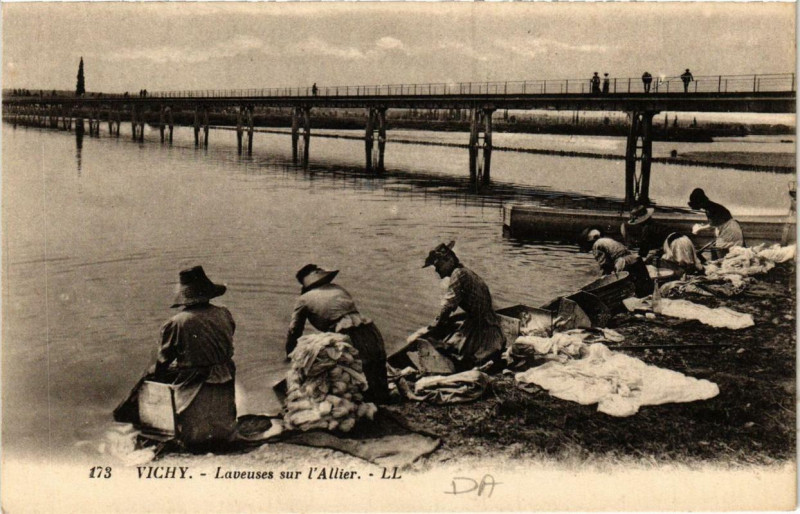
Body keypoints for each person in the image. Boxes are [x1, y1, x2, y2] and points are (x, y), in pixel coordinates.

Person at [114, 266, 238, 450]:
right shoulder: (224, 313)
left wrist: (153, 376)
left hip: (197, 379)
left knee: (152, 381)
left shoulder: (177, 322)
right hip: (225, 373)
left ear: (184, 296)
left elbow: (163, 360)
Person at [286, 264, 389, 404]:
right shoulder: (337, 288)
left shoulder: (303, 299)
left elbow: (294, 330)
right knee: (376, 361)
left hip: (344, 332)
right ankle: (383, 397)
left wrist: (290, 354)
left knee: (348, 368)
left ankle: (364, 400)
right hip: (367, 327)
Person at [422, 241, 505, 370]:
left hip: (483, 328)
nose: (437, 271)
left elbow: (448, 305)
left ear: (448, 260)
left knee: (453, 352)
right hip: (486, 323)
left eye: (438, 266)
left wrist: (437, 324)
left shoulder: (458, 274)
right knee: (451, 344)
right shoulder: (465, 271)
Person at [622, 205, 703, 275]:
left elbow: (644, 249)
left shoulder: (646, 229)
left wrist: (640, 260)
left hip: (676, 243)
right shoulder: (655, 225)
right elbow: (658, 243)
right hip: (684, 239)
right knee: (691, 264)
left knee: (684, 267)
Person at [579, 227, 654, 298]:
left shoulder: (596, 245)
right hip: (635, 259)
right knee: (646, 288)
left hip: (624, 262)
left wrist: (602, 279)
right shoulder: (608, 240)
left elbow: (605, 264)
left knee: (627, 287)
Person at [688, 188, 745, 256]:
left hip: (729, 231)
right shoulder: (711, 207)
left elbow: (713, 224)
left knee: (722, 251)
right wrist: (702, 226)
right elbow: (715, 222)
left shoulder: (710, 209)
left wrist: (699, 228)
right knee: (722, 251)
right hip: (731, 229)